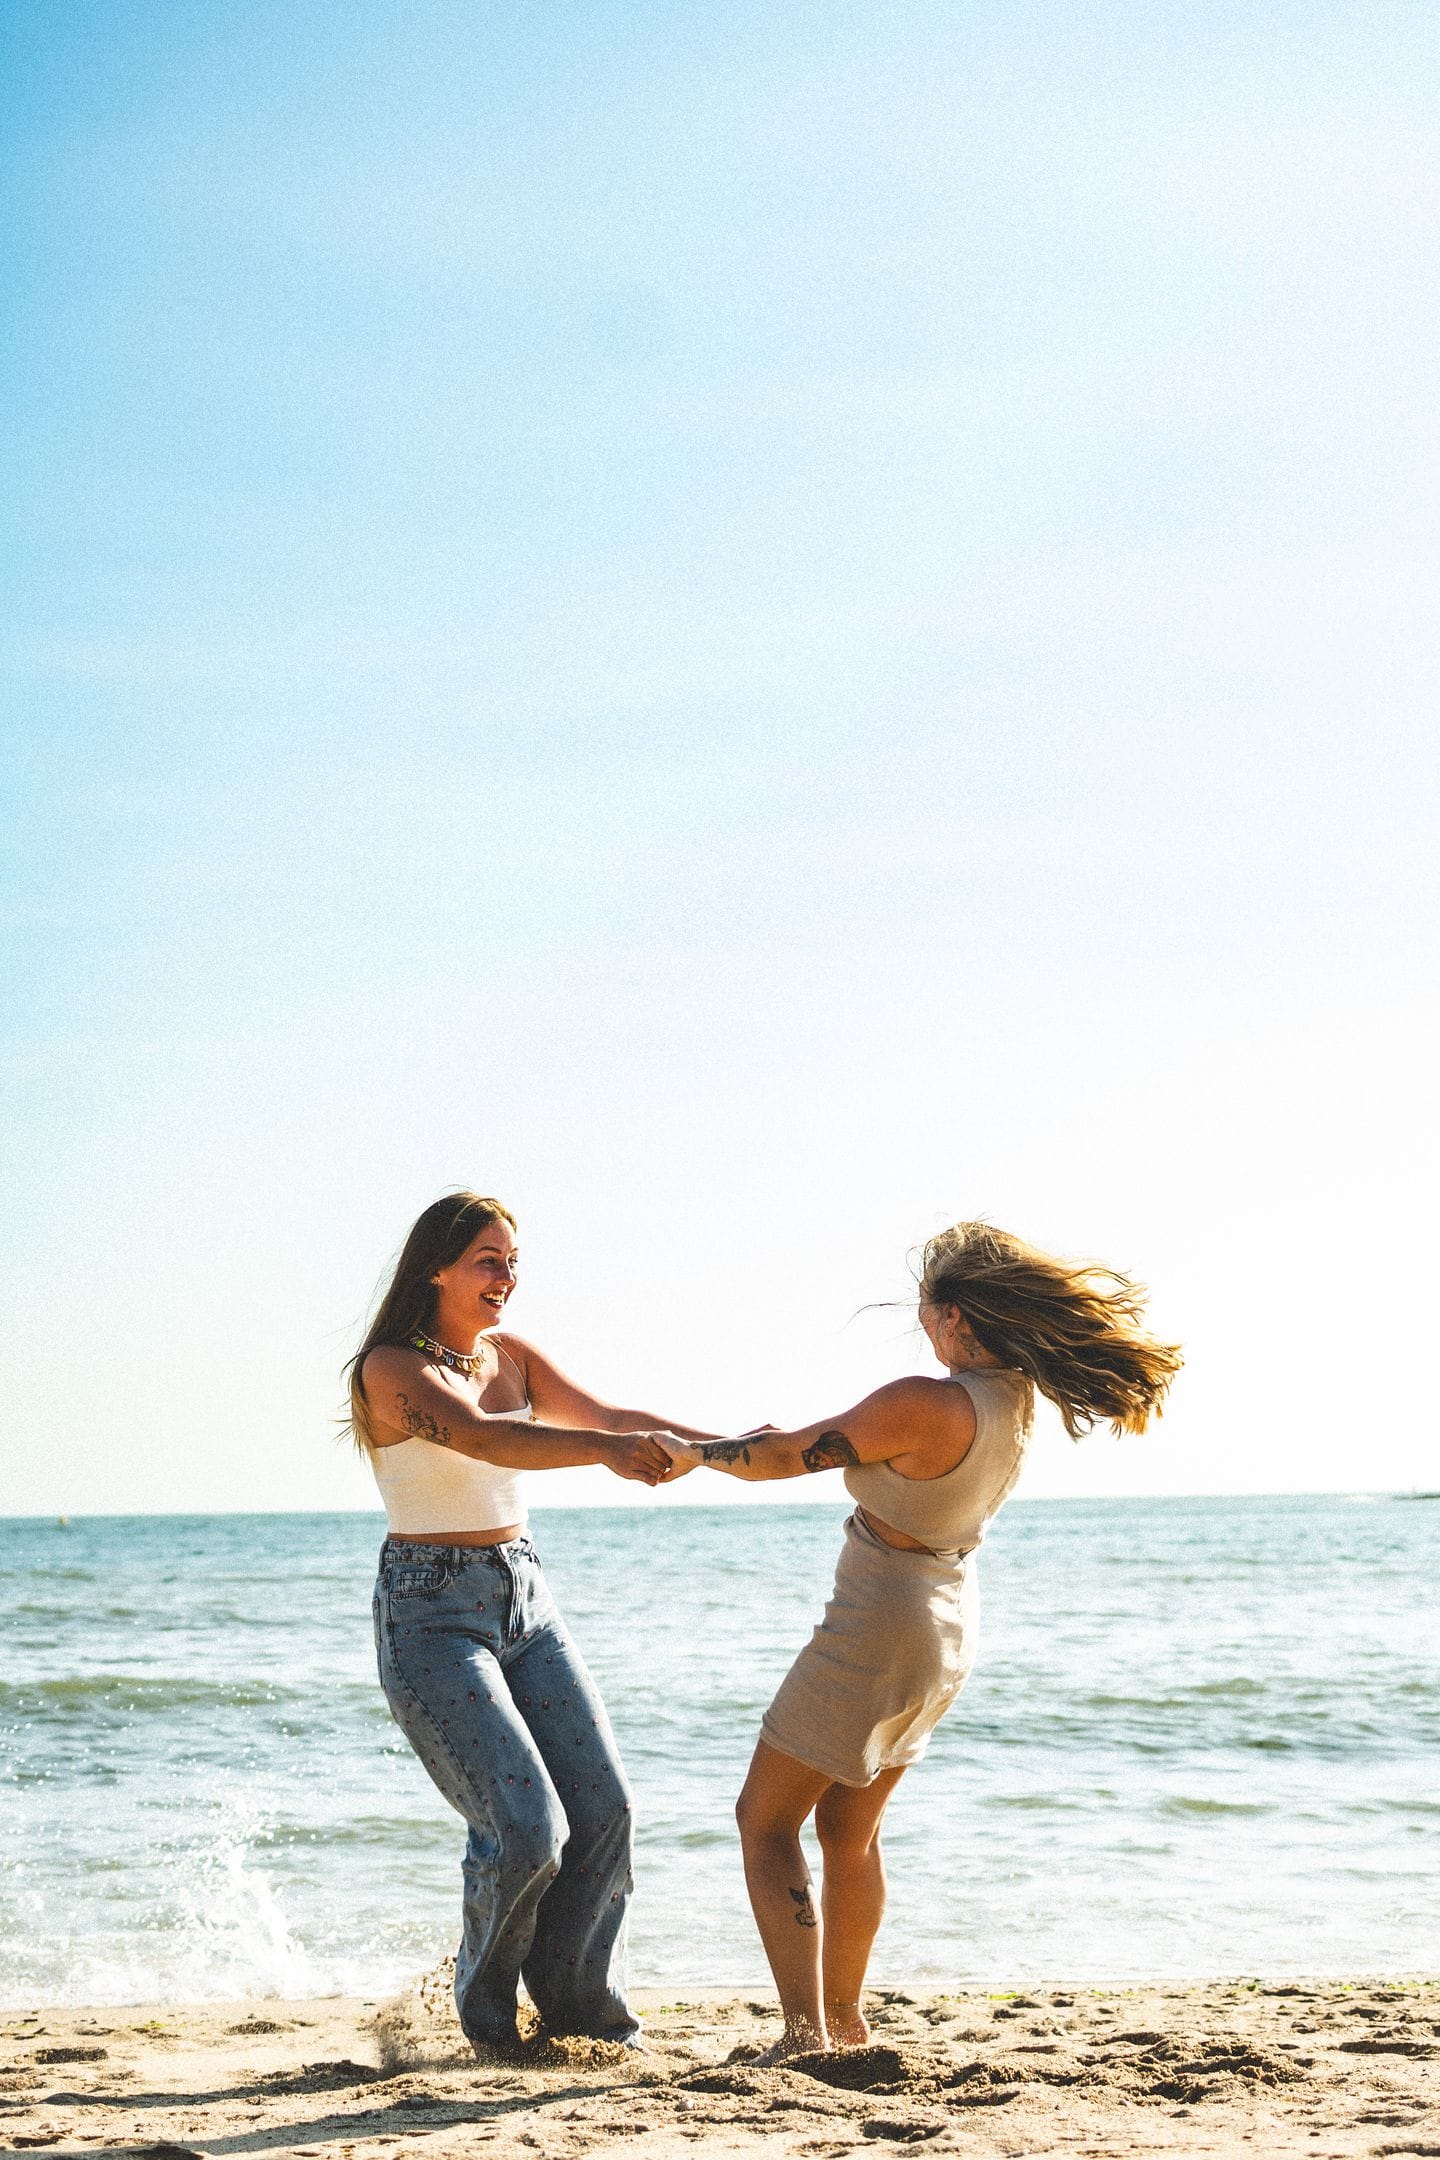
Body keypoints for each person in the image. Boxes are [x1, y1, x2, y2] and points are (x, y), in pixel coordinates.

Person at [661, 1220, 1181, 2058]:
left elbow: (788, 1458)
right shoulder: (1013, 1401)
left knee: (764, 1821)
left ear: (958, 1317)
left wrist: (693, 1453)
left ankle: (803, 2035)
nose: (924, 1329)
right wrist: (763, 1446)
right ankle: (844, 2022)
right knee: (848, 1832)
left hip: (879, 1623)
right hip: (945, 1619)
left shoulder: (926, 1400)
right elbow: (808, 1450)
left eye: (928, 1314)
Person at [347, 1191, 715, 2057]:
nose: (506, 1278)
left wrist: (727, 1445)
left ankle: (585, 2013)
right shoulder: (391, 1370)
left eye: (512, 1261)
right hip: (430, 1612)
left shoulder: (510, 1355)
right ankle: (487, 2025)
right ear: (435, 1266)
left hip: (524, 1598)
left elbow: (615, 1420)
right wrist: (607, 1455)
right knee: (525, 1827)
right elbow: (487, 1443)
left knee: (606, 1810)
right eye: (488, 1259)